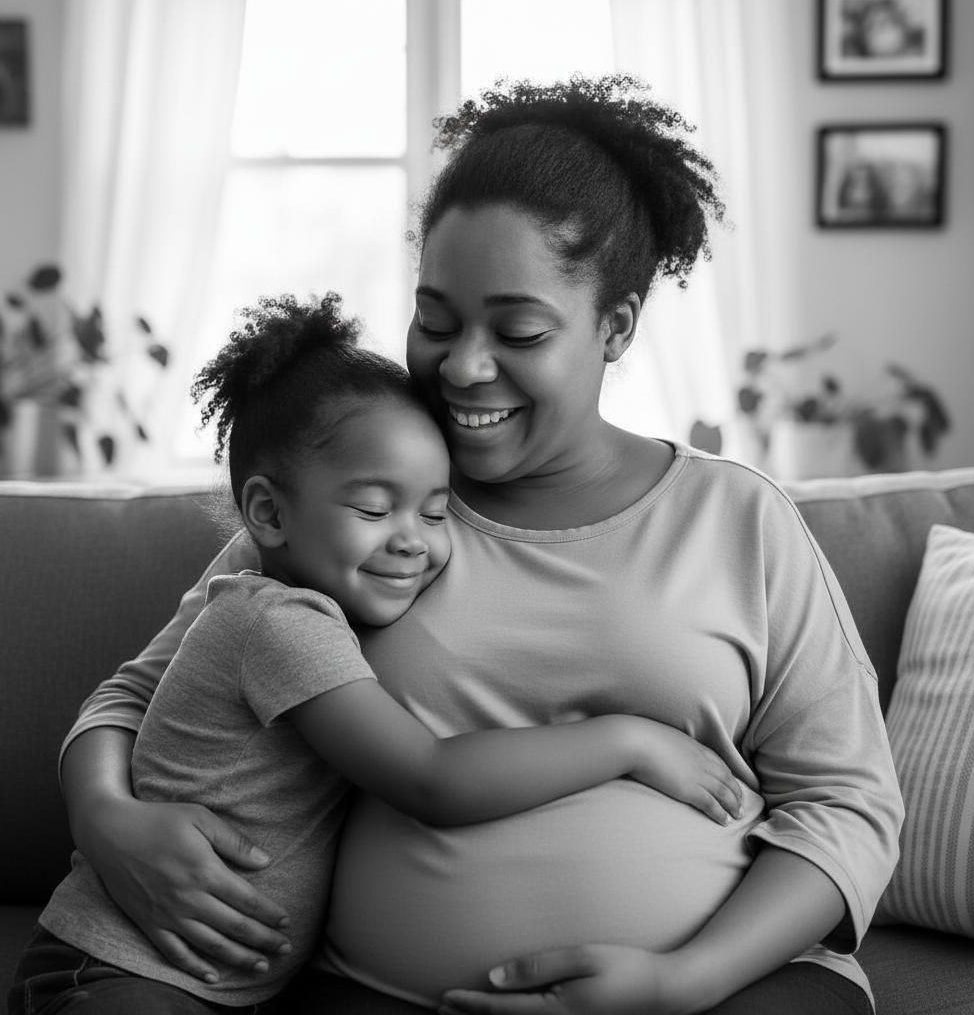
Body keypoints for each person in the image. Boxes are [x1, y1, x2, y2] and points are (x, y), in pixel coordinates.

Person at [51, 75, 903, 1015]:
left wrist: (677, 981)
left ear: (615, 325)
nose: (462, 366)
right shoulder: (362, 506)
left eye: (520, 329)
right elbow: (140, 693)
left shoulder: (738, 520)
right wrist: (106, 818)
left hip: (724, 990)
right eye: (436, 320)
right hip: (387, 993)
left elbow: (846, 806)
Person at [8, 290, 743, 1014]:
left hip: (221, 989)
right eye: (372, 509)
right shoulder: (275, 620)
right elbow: (430, 780)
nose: (412, 540)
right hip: (115, 969)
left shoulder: (332, 589)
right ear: (269, 514)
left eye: (434, 510)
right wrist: (629, 742)